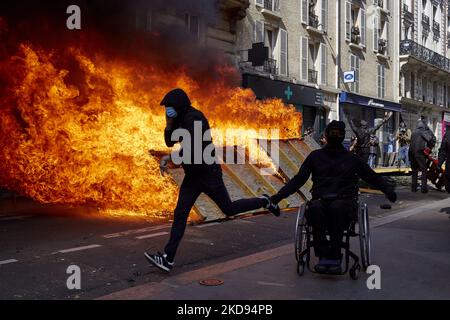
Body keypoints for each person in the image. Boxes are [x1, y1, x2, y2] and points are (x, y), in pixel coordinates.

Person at [144, 88, 280, 273]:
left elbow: (194, 147)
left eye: (169, 107)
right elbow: (170, 141)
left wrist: (170, 158)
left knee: (228, 209)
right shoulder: (180, 118)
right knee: (181, 212)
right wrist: (169, 124)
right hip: (193, 175)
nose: (167, 110)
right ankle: (168, 258)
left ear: (179, 105)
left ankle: (264, 200)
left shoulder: (195, 119)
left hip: (209, 174)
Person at [270, 121, 397, 274]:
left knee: (326, 209)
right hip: (335, 202)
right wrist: (388, 191)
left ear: (325, 137)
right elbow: (372, 177)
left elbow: (298, 180)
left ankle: (333, 255)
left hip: (337, 201)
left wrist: (278, 197)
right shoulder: (346, 158)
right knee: (323, 209)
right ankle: (325, 255)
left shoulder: (323, 157)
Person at [409, 119, 436, 193]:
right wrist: (429, 148)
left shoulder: (413, 133)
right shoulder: (423, 132)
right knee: (424, 169)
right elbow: (430, 139)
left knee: (414, 170)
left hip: (411, 153)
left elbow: (411, 144)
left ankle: (413, 188)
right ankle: (424, 188)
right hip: (419, 152)